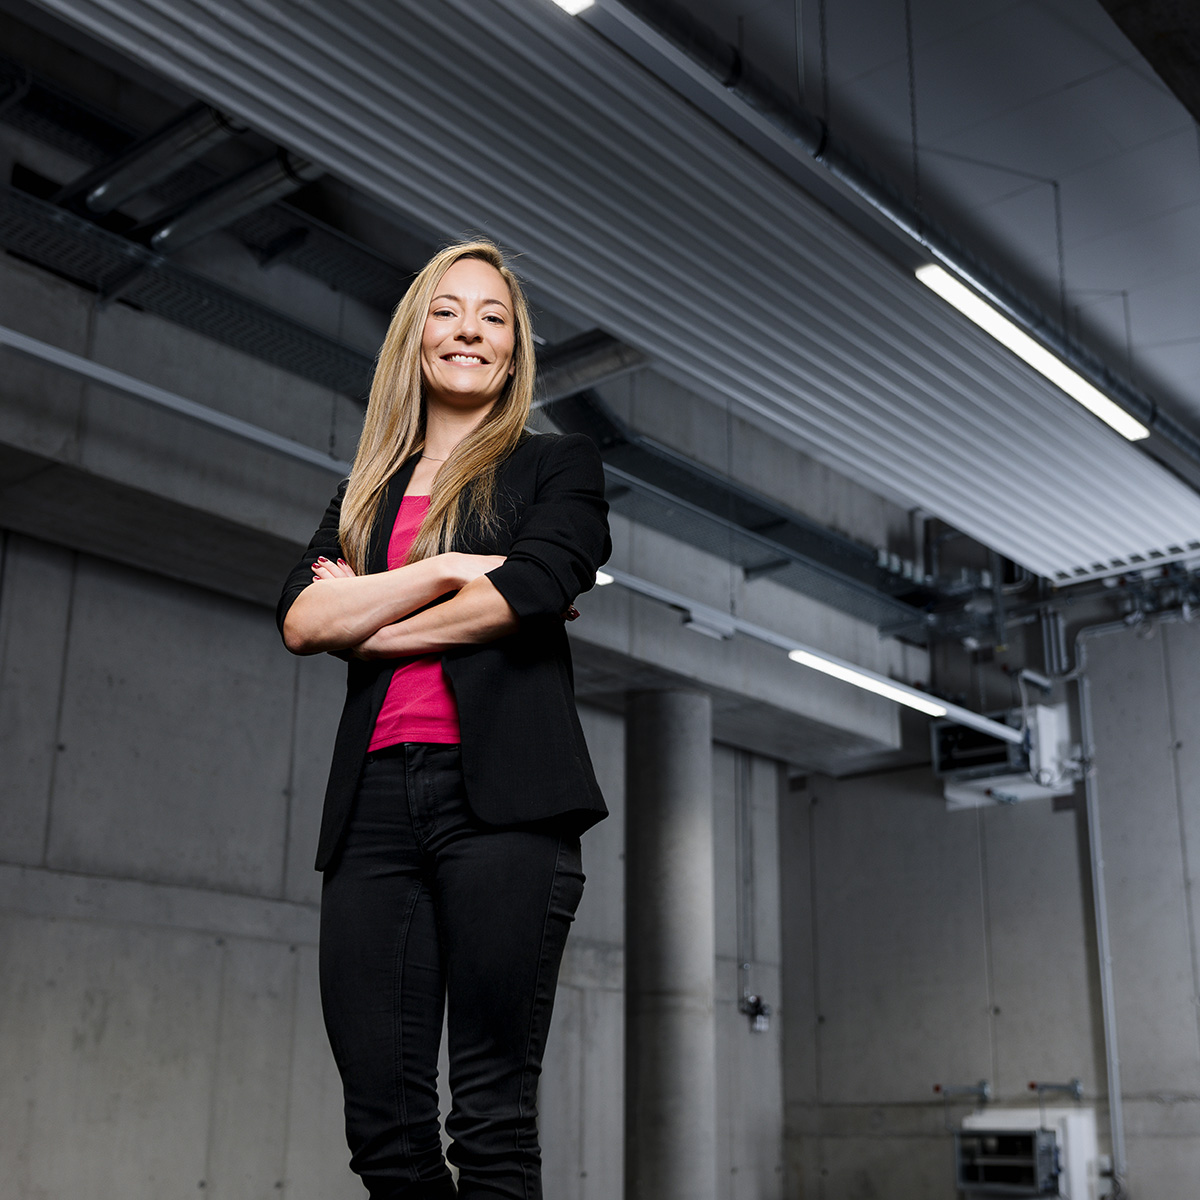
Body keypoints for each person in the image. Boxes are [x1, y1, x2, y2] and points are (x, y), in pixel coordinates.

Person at [276, 239, 611, 1200]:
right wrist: (444, 570)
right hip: (374, 808)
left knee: (491, 1120)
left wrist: (372, 617)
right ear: (414, 333)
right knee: (381, 1125)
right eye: (448, 310)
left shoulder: (557, 465)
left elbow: (539, 585)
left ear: (514, 351)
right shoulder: (364, 496)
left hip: (505, 808)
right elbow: (301, 619)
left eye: (494, 317)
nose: (470, 330)